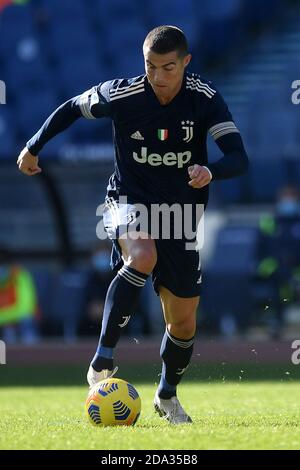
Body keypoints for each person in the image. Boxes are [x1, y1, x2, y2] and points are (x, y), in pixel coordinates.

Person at [17, 26, 249, 423]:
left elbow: (238, 158)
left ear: (186, 63)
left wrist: (210, 171)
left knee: (183, 319)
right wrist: (33, 146)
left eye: (168, 68)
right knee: (142, 255)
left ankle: (167, 395)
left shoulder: (203, 98)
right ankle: (103, 358)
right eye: (151, 66)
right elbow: (73, 106)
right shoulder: (123, 94)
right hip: (128, 200)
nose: (158, 77)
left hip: (181, 214)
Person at [255, 185, 300, 338]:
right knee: (278, 279)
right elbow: (260, 250)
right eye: (285, 197)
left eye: (291, 197)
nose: (288, 201)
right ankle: (276, 322)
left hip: (296, 269)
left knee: (289, 277)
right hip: (275, 270)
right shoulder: (270, 222)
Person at [0, 247, 39, 344]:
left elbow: (25, 309)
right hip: (5, 320)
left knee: (26, 320)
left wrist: (3, 318)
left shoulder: (20, 275)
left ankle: (31, 351)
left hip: (20, 321)